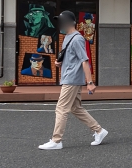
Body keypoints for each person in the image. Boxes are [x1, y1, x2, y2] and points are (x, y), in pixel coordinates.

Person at [39, 11, 107, 150]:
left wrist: (90, 82)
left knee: (61, 108)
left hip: (72, 79)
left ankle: (56, 140)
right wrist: (60, 63)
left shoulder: (77, 39)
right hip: (69, 77)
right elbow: (72, 58)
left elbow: (84, 61)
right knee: (75, 108)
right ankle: (99, 131)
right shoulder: (68, 37)